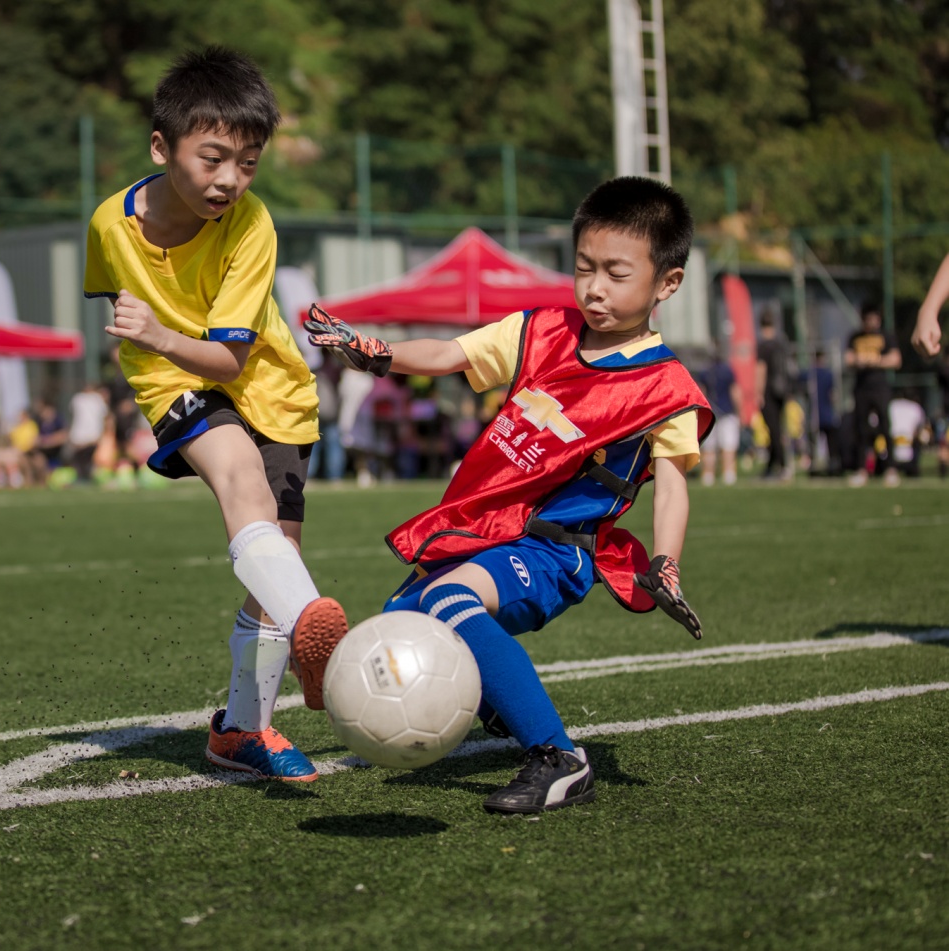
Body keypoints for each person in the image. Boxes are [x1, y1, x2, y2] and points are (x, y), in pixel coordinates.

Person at [307, 176, 713, 814]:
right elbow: (447, 352)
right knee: (401, 618)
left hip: (559, 553)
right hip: (497, 528)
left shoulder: (666, 388)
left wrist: (666, 561)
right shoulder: (541, 330)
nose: (595, 287)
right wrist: (378, 352)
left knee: (447, 599)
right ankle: (493, 703)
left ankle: (558, 758)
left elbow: (674, 487)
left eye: (616, 273)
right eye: (584, 268)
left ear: (667, 282)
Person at [82, 46, 348, 782]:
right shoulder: (110, 224)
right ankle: (311, 629)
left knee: (276, 555)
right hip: (171, 378)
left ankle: (239, 729)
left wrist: (160, 331)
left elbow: (231, 360)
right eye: (214, 157)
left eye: (249, 163)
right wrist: (155, 347)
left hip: (268, 382)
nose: (230, 179)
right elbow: (125, 309)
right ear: (162, 147)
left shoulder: (252, 224)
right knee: (243, 487)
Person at [844, 305, 901, 486]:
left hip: (880, 388)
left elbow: (896, 359)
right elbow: (848, 358)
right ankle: (862, 470)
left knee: (885, 427)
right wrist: (859, 360)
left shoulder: (886, 336)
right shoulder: (855, 336)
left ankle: (891, 469)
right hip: (861, 388)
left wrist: (875, 360)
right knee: (861, 430)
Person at [755, 311, 793, 481]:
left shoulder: (764, 345)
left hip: (770, 390)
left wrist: (759, 393)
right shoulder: (780, 344)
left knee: (774, 429)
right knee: (778, 428)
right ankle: (771, 466)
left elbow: (761, 370)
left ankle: (783, 465)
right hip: (783, 390)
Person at [697, 349, 741, 486]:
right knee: (728, 445)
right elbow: (735, 392)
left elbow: (700, 393)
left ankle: (708, 475)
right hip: (727, 412)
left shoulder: (705, 372)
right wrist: (739, 411)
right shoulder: (728, 371)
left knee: (709, 447)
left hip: (710, 413)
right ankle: (728, 474)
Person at [67, 381, 111, 484]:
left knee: (84, 459)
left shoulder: (79, 398)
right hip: (88, 435)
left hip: (83, 436)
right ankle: (84, 478)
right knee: (84, 459)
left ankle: (84, 478)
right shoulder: (94, 398)